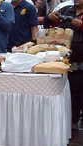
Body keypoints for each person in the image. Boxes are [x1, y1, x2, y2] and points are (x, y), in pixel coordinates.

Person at [44, 0, 82, 134]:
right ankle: (61, 125)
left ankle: (73, 125)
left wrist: (81, 25)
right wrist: (49, 18)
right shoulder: (66, 10)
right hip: (60, 63)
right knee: (63, 96)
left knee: (77, 97)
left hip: (79, 65)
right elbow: (49, 25)